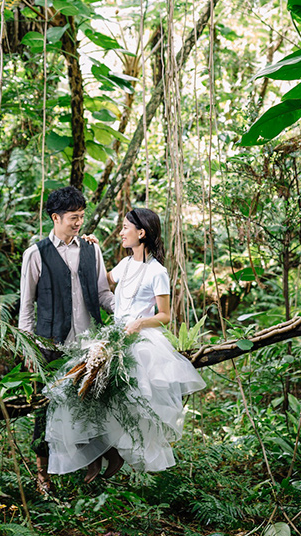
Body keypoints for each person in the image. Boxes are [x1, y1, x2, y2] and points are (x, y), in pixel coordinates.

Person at [43, 208, 206, 481]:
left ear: (141, 233)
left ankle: (115, 451)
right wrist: (92, 251)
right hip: (114, 335)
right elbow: (99, 283)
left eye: (125, 228)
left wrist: (140, 323)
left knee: (122, 396)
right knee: (79, 387)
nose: (121, 233)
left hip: (140, 340)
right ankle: (96, 453)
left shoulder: (157, 272)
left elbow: (165, 315)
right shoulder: (125, 264)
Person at [17, 186, 115, 495]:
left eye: (81, 216)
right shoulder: (35, 254)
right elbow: (26, 306)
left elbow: (103, 294)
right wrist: (28, 348)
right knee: (45, 409)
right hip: (50, 345)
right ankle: (42, 473)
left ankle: (92, 463)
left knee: (93, 402)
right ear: (55, 218)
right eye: (73, 217)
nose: (78, 223)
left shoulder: (91, 250)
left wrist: (128, 310)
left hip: (89, 343)